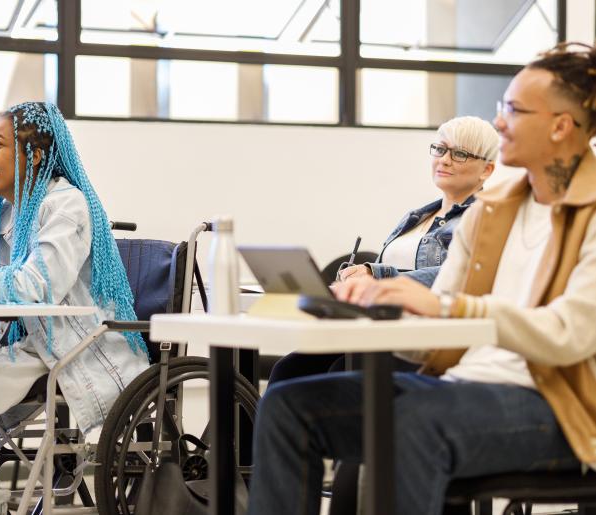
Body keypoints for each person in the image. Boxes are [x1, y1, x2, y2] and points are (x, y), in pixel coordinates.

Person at [248, 41, 596, 515]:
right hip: (461, 384)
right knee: (289, 406)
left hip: (560, 409)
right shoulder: (491, 214)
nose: (499, 123)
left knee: (411, 422)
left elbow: (569, 334)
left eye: (514, 110)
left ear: (560, 126)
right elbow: (435, 340)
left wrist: (443, 306)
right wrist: (378, 312)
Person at [0, 101, 150, 515]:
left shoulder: (67, 205)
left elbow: (36, 285)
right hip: (36, 346)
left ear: (35, 155)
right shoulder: (4, 212)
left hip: (78, 349)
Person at [268, 116, 498, 384]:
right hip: (374, 329)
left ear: (487, 170)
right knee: (289, 369)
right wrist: (359, 274)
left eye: (459, 154)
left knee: (337, 375)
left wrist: (377, 278)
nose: (444, 160)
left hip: (421, 342)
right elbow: (378, 270)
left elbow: (456, 275)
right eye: (440, 149)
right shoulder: (416, 216)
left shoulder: (483, 218)